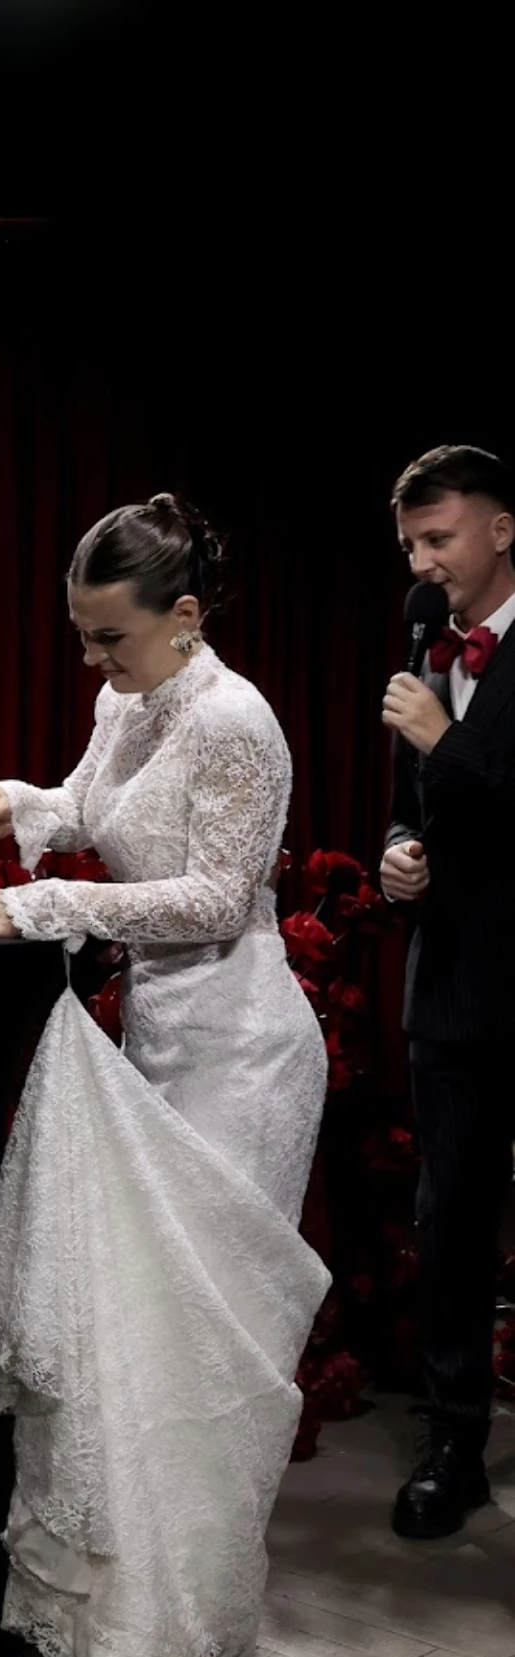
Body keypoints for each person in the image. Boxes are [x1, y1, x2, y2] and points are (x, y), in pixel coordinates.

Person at [0, 494, 329, 1657]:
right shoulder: (128, 703)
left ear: (186, 616)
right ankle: (127, 1603)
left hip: (245, 1050)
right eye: (82, 637)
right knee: (136, 1328)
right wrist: (22, 801)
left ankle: (186, 1619)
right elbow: (90, 807)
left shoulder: (236, 720)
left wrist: (50, 907)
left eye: (109, 638)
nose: (92, 662)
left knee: (204, 1339)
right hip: (156, 1031)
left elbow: (217, 896)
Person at [380, 444, 515, 1540]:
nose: (423, 562)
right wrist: (398, 854)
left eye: (439, 537)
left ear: (501, 530)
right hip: (453, 988)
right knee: (451, 1222)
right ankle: (453, 1447)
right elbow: (408, 803)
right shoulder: (424, 655)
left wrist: (450, 744)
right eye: (410, 545)